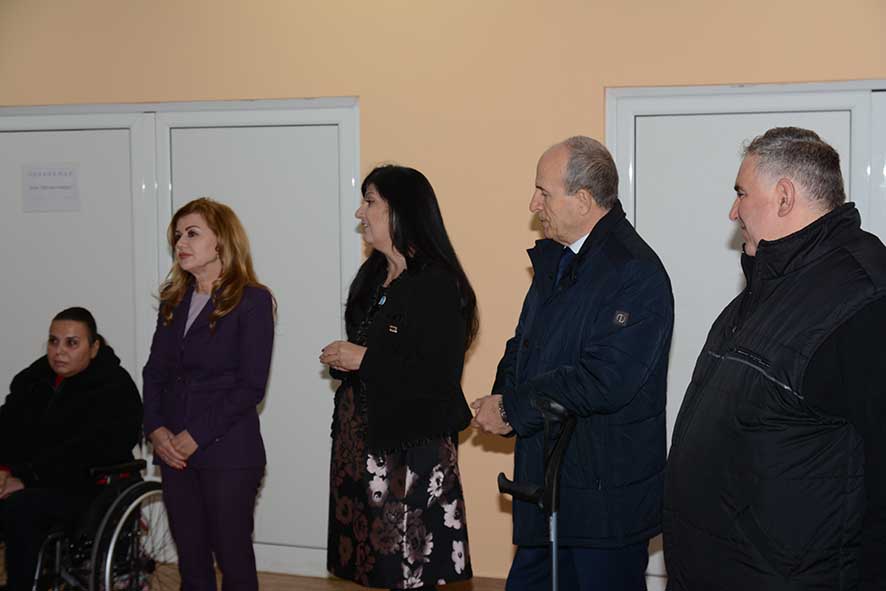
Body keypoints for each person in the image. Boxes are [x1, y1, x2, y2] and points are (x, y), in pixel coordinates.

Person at [664, 127, 886, 590]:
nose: (733, 212)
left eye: (741, 194)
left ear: (784, 197)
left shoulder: (863, 299)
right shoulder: (769, 288)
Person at [472, 136, 674, 591]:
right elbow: (524, 343)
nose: (533, 204)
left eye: (543, 193)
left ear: (583, 200)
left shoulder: (635, 272)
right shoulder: (561, 260)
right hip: (549, 489)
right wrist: (503, 397)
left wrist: (512, 409)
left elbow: (604, 379)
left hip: (603, 503)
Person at [320, 165, 478, 590]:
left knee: (408, 571)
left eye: (370, 201)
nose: (360, 212)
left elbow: (437, 377)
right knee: (373, 570)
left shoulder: (438, 284)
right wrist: (347, 360)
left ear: (400, 211)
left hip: (410, 451)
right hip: (362, 449)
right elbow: (378, 354)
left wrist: (364, 360)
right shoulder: (372, 277)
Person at [143, 197, 275, 591]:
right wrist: (156, 430)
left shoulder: (252, 300)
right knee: (191, 562)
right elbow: (154, 373)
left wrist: (195, 436)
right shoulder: (173, 300)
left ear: (221, 241)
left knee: (233, 560)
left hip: (228, 452)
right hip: (174, 453)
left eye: (192, 233)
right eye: (177, 235)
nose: (180, 242)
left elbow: (250, 386)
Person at [0, 307, 143, 591]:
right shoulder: (35, 378)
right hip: (34, 478)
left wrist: (26, 477)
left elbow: (89, 450)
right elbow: (8, 425)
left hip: (88, 487)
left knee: (20, 508)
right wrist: (3, 469)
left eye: (72, 343)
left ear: (94, 347)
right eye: (53, 341)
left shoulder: (114, 386)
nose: (59, 351)